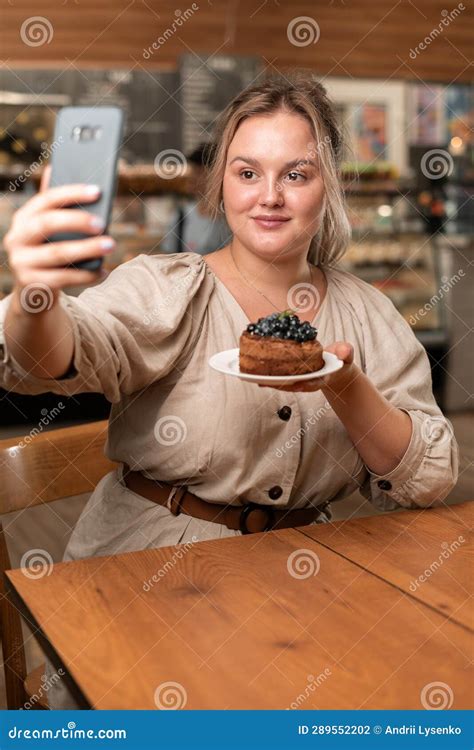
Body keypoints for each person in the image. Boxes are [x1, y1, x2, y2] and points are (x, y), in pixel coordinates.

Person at [0, 73, 458, 709]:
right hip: (147, 573)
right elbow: (60, 352)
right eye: (247, 173)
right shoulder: (167, 288)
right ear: (220, 183)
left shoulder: (369, 315)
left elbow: (429, 478)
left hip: (306, 579)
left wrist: (346, 384)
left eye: (296, 175)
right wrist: (36, 293)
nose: (269, 196)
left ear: (329, 188)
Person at [160, 142, 230, 255]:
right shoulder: (181, 217)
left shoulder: (231, 221)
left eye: (197, 172)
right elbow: (169, 257)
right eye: (192, 171)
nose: (191, 177)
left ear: (215, 175)